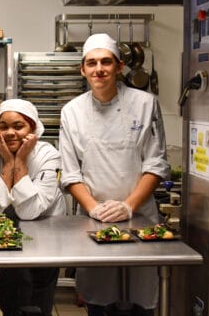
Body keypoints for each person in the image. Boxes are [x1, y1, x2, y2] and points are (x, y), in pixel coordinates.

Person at [58, 33, 170, 316]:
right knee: (99, 300)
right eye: (92, 63)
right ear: (82, 69)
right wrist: (95, 209)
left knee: (140, 302)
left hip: (140, 217)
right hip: (94, 222)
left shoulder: (146, 104)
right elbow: (71, 174)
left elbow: (155, 164)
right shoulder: (72, 112)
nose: (99, 69)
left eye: (106, 62)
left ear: (119, 67)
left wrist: (127, 205)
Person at [0, 98, 66, 316]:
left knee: (40, 296)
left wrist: (20, 161)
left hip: (46, 230)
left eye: (18, 126)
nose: (10, 133)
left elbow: (30, 212)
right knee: (12, 288)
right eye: (3, 127)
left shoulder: (48, 154)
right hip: (8, 234)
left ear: (33, 128)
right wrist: (8, 164)